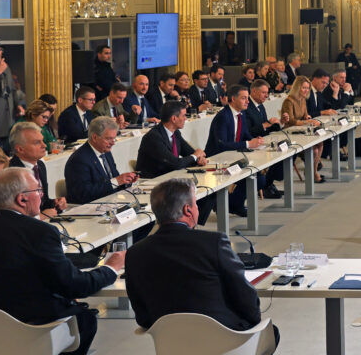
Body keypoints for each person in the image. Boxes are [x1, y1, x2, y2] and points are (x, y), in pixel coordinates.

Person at [0, 168, 124, 355]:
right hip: (27, 332)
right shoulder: (40, 232)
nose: (41, 196)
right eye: (38, 190)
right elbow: (74, 286)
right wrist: (110, 268)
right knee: (85, 319)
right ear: (22, 199)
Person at [125, 179, 278, 348]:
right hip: (225, 342)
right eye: (196, 204)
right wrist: (253, 320)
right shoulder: (214, 243)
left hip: (171, 344)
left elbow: (143, 316)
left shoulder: (135, 253)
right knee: (271, 333)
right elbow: (245, 297)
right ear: (188, 210)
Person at [206, 85, 267, 216]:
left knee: (259, 179)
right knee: (254, 177)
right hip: (218, 159)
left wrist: (256, 142)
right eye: (244, 98)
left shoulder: (241, 114)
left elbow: (244, 134)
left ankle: (233, 204)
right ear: (233, 99)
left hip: (233, 156)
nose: (248, 101)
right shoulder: (223, 116)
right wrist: (248, 143)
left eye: (247, 98)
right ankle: (230, 205)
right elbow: (222, 145)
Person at [64, 117, 139, 204]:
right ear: (95, 137)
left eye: (114, 138)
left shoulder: (106, 152)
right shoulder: (79, 160)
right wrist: (117, 181)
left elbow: (113, 181)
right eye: (108, 139)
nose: (113, 143)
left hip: (109, 203)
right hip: (89, 209)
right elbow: (83, 194)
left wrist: (126, 181)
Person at [7, 121, 66, 219]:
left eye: (42, 141)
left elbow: (41, 201)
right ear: (20, 149)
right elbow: (13, 215)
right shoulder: (12, 173)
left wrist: (56, 203)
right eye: (37, 142)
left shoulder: (40, 165)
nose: (44, 145)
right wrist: (40, 217)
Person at [282, 76, 325, 184]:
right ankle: (312, 173)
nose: (306, 90)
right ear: (297, 88)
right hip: (291, 133)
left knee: (320, 143)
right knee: (314, 150)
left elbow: (305, 116)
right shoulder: (289, 101)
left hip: (301, 131)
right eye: (304, 88)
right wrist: (307, 122)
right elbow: (291, 121)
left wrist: (308, 118)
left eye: (307, 88)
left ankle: (313, 171)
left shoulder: (303, 99)